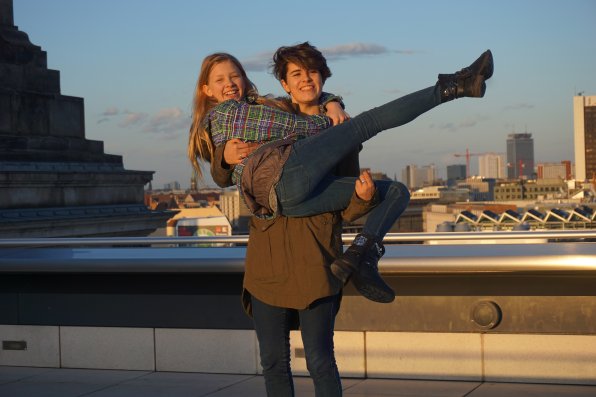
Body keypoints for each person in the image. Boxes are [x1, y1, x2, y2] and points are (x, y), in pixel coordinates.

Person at [190, 47, 494, 302]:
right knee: (367, 123)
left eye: (235, 75)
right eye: (220, 79)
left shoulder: (266, 107)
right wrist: (337, 126)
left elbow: (299, 111)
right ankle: (454, 87)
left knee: (396, 192)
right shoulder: (230, 112)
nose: (229, 83)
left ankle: (361, 256)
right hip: (283, 180)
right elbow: (288, 131)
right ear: (206, 90)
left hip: (291, 201)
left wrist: (332, 103)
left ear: (245, 79)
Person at [206, 44, 375, 397]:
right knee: (273, 362)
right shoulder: (267, 117)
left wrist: (361, 198)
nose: (305, 79)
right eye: (296, 74)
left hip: (317, 260)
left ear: (323, 75)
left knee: (320, 361)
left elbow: (347, 207)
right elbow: (224, 172)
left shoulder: (340, 130)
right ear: (284, 83)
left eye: (312, 71)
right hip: (267, 261)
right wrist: (223, 156)